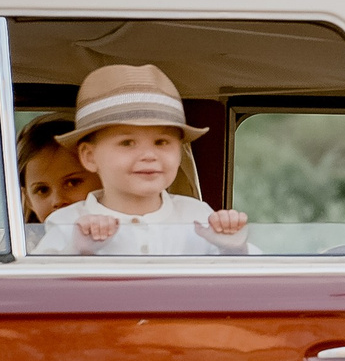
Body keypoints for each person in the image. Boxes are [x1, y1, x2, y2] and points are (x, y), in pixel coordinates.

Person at [33, 64, 253, 257]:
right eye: (127, 143)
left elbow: (246, 283)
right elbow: (38, 285)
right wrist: (77, 251)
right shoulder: (67, 222)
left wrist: (233, 248)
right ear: (89, 157)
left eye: (161, 142)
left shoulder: (197, 215)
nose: (149, 155)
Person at [16, 117, 98, 229]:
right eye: (42, 190)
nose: (58, 200)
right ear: (29, 200)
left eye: (72, 183)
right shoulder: (21, 240)